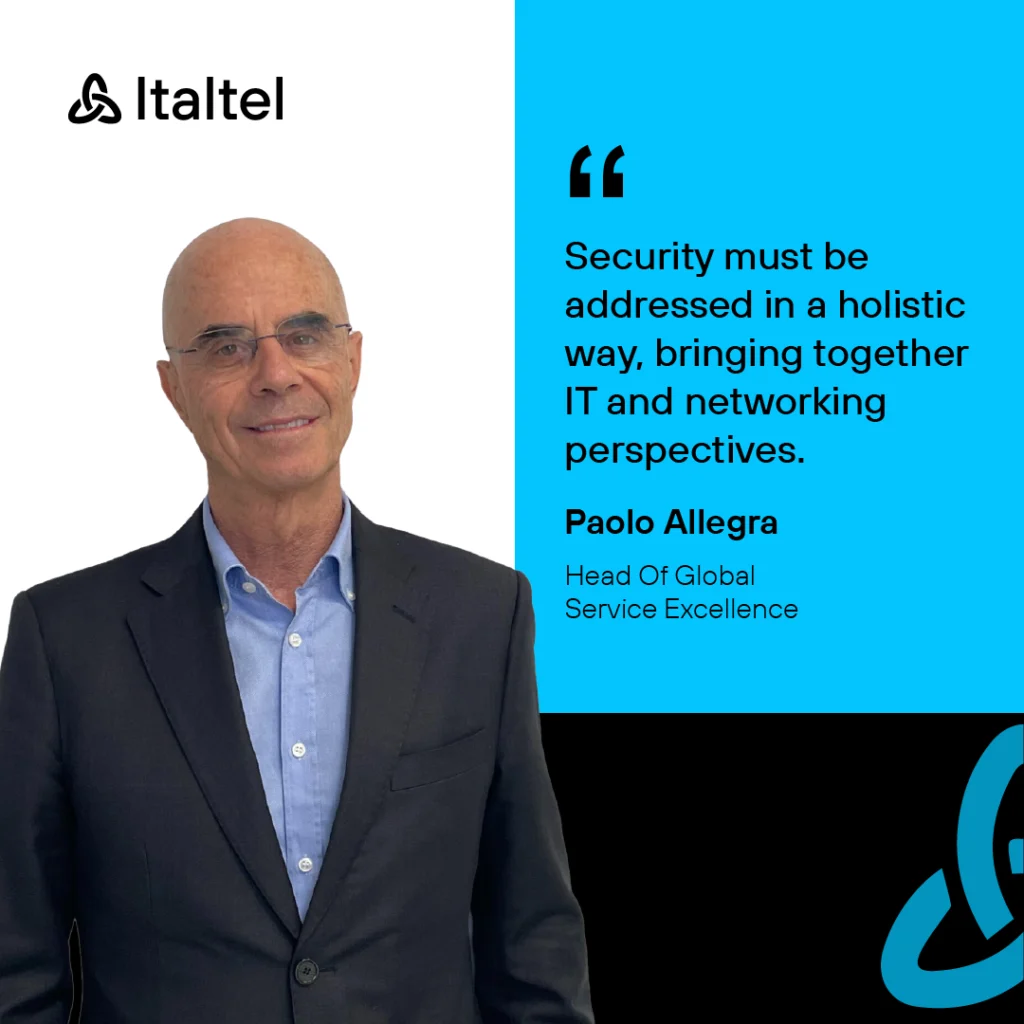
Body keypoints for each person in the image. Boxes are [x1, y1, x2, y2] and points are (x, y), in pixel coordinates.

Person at [0, 218, 594, 1023]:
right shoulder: (62, 638)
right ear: (173, 387)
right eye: (225, 345)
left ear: (352, 361)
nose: (275, 374)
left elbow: (534, 947)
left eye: (305, 335)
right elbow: (16, 969)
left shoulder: (482, 614)